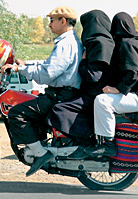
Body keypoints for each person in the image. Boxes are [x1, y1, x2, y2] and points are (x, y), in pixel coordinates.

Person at [1, 6, 83, 177]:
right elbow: (48, 64)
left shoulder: (65, 44)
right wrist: (25, 65)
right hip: (61, 94)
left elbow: (47, 74)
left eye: (52, 20)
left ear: (63, 21)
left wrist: (19, 70)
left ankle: (40, 153)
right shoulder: (68, 41)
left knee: (16, 113)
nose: (49, 25)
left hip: (59, 96)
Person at [84, 12, 138, 158]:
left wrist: (118, 89)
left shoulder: (127, 44)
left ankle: (108, 144)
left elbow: (134, 72)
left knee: (102, 101)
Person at [46, 10, 115, 153]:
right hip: (95, 92)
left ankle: (81, 144)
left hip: (94, 94)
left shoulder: (99, 44)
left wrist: (82, 62)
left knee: (60, 110)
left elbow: (93, 76)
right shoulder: (105, 42)